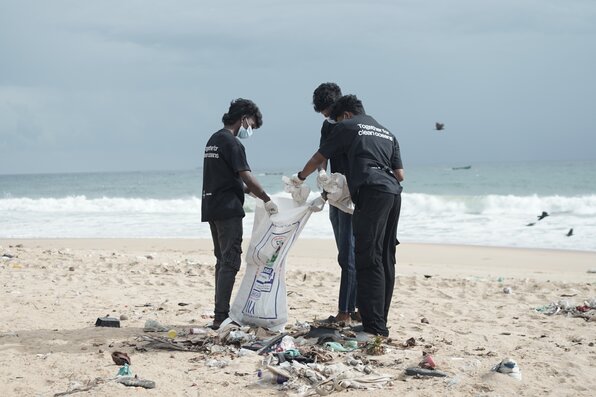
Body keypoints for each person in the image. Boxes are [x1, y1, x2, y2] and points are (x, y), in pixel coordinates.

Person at [291, 94, 404, 337]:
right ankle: (379, 321)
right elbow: (400, 173)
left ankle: (374, 328)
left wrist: (300, 177)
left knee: (366, 257)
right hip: (393, 193)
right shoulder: (386, 131)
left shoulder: (346, 126)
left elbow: (319, 157)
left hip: (371, 192)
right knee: (386, 257)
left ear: (346, 115)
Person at [201, 98, 278, 330]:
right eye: (251, 125)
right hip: (228, 210)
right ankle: (220, 316)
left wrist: (248, 192)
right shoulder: (233, 144)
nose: (250, 130)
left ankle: (219, 312)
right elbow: (246, 175)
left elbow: (226, 177)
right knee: (231, 261)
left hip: (212, 206)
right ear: (243, 118)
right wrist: (267, 199)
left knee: (222, 260)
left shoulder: (213, 140)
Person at [312, 82, 358, 323]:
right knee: (344, 254)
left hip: (352, 196)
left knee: (350, 254)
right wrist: (322, 174)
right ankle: (355, 308)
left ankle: (346, 312)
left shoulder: (353, 125)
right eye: (322, 113)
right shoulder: (327, 126)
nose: (326, 116)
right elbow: (322, 155)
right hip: (334, 194)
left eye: (328, 111)